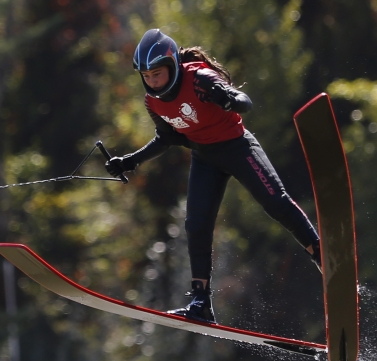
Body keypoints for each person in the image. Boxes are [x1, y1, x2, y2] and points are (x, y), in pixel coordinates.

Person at [105, 29, 321, 324]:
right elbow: (166, 138)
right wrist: (129, 161)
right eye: (147, 75)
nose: (153, 81)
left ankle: (322, 255)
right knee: (196, 225)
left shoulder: (199, 78)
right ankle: (200, 302)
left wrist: (228, 97)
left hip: (238, 147)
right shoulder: (152, 102)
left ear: (172, 65)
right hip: (205, 159)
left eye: (157, 73)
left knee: (275, 203)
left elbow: (244, 101)